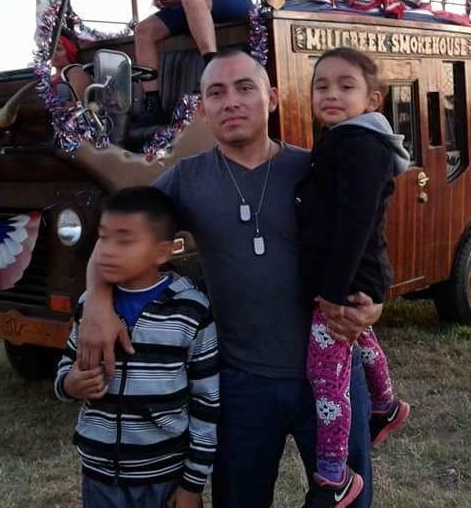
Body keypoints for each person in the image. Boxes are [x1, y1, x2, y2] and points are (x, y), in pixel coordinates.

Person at [77, 49, 381, 508]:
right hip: (240, 383)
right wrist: (98, 303)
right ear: (202, 109)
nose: (231, 102)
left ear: (271, 98)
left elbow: (369, 238)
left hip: (329, 373)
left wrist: (375, 300)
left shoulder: (315, 168)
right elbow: (116, 237)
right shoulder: (187, 180)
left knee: (348, 501)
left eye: (245, 88)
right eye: (216, 93)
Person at [296, 48, 412, 506]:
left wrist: (332, 292)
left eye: (346, 86)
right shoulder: (343, 139)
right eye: (321, 85)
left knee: (326, 376)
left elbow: (354, 225)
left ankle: (334, 474)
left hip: (344, 281)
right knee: (360, 339)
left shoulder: (360, 146)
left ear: (372, 99)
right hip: (352, 276)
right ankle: (385, 404)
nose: (331, 94)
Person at [54, 186, 218, 508]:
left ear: (162, 252)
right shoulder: (90, 306)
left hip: (165, 479)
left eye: (125, 240)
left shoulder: (191, 311)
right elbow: (65, 367)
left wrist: (193, 484)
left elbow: (207, 403)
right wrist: (69, 384)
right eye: (103, 238)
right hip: (100, 476)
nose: (108, 251)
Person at [51, 31, 92, 103]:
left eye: (58, 49)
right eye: (51, 49)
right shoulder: (48, 76)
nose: (54, 53)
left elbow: (79, 105)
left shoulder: (76, 71)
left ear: (69, 51)